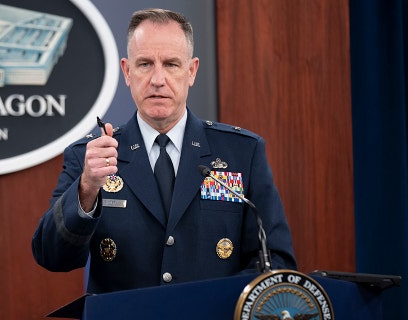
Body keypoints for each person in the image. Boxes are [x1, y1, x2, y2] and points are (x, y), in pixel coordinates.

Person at [31, 8, 296, 294]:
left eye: (171, 64)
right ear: (127, 71)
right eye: (145, 64)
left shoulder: (242, 153)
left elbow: (275, 262)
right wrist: (86, 189)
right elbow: (51, 256)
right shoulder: (91, 156)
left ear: (191, 71)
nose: (158, 79)